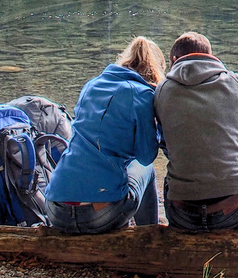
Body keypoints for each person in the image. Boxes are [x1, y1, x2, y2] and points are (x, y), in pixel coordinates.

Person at [155, 31, 238, 231]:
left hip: (182, 214)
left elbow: (169, 146)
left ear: (174, 61)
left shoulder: (161, 91)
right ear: (211, 56)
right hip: (235, 210)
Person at [44, 36, 164, 233]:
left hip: (56, 209)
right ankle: (150, 236)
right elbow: (145, 156)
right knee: (147, 169)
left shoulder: (91, 85)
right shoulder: (143, 95)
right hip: (97, 216)